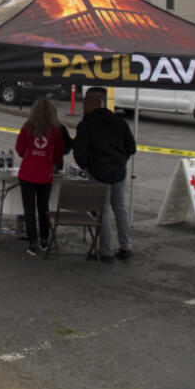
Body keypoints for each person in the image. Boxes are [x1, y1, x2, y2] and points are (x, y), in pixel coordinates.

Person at [73, 89, 137, 262]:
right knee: (120, 208)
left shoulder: (86, 125)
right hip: (118, 171)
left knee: (103, 212)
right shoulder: (119, 122)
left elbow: (79, 152)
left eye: (84, 105)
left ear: (88, 106)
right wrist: (121, 160)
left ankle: (106, 251)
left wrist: (86, 166)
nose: (82, 108)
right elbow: (131, 147)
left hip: (98, 172)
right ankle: (126, 246)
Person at [14, 98, 65, 257]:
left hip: (28, 173)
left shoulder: (28, 127)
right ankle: (44, 238)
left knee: (29, 208)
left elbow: (20, 149)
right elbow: (58, 154)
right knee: (43, 208)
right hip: (45, 175)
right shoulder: (55, 131)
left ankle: (32, 241)